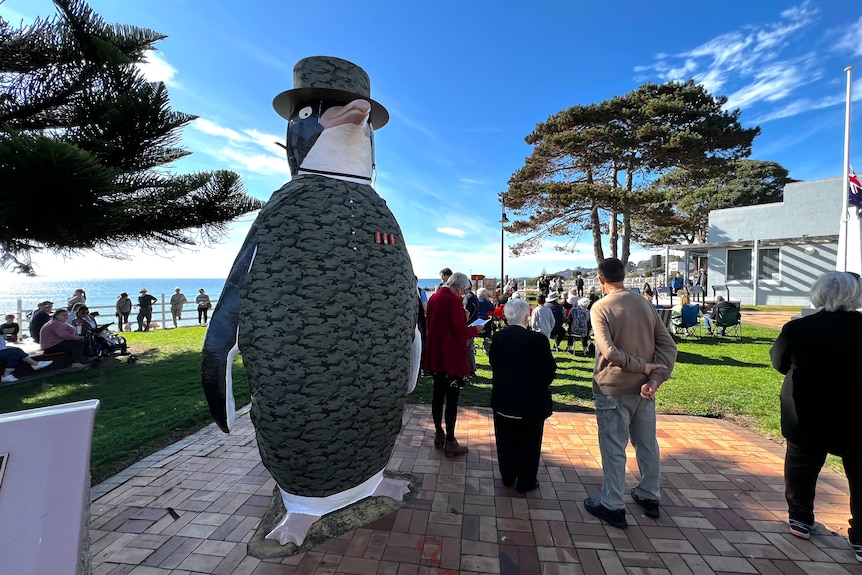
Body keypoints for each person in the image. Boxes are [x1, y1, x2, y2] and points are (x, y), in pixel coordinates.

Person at [769, 271, 862, 560]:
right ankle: (860, 537)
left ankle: (800, 518)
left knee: (801, 463)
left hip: (805, 412)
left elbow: (778, 361)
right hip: (856, 414)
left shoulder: (798, 329)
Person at [584, 257, 677, 529]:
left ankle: (612, 504)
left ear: (601, 280)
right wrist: (655, 377)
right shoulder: (644, 304)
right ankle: (649, 494)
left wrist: (644, 368)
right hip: (644, 389)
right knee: (646, 443)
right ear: (623, 276)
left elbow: (609, 351)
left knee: (614, 447)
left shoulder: (600, 307)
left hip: (612, 389)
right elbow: (668, 347)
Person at [488, 297, 556, 494]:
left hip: (504, 399)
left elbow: (494, 363)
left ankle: (507, 476)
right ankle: (526, 480)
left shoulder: (499, 337)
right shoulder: (538, 340)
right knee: (530, 442)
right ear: (526, 317)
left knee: (505, 439)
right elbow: (548, 371)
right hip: (530, 401)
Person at [422, 272, 486, 458]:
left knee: (437, 396)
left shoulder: (434, 297)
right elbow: (459, 331)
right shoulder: (453, 300)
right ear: (459, 287)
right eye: (464, 290)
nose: (463, 294)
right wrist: (476, 329)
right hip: (451, 357)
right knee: (451, 399)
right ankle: (450, 440)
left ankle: (438, 434)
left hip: (437, 353)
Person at [462, 284, 480, 378]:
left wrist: (462, 324)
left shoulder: (467, 298)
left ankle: (466, 372)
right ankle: (472, 371)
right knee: (470, 350)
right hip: (474, 324)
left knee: (463, 349)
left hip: (468, 326)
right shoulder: (474, 297)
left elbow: (467, 313)